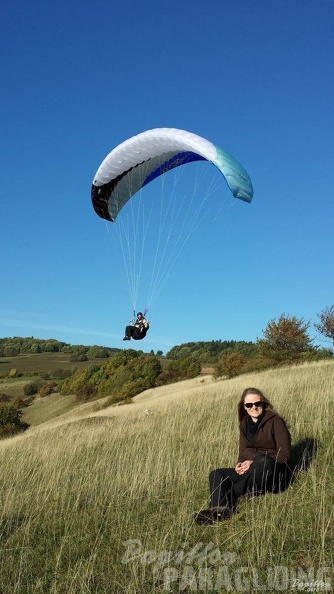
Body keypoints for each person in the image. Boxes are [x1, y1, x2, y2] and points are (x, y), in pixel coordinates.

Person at [194, 387, 292, 525]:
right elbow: (243, 451)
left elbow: (284, 455)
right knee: (217, 474)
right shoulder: (244, 424)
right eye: (249, 405)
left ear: (263, 403)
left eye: (257, 403)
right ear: (244, 407)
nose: (254, 407)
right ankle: (218, 511)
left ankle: (231, 493)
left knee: (262, 461)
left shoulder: (275, 421)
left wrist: (253, 460)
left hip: (274, 473)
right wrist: (240, 465)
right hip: (253, 471)